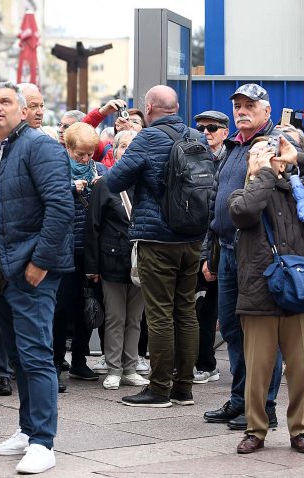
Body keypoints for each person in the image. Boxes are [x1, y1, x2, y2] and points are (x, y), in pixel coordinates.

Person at [0, 82, 73, 474]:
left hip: (30, 271)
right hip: (2, 271)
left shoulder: (39, 145)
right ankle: (26, 429)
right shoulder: (1, 149)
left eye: (6, 102)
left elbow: (61, 205)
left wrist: (41, 262)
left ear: (23, 110)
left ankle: (42, 442)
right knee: (20, 355)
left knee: (36, 356)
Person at [228, 136, 304, 454]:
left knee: (301, 369)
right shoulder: (241, 194)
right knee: (258, 371)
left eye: (271, 151)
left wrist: (300, 156)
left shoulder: (299, 191)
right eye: (258, 152)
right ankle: (256, 430)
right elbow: (246, 211)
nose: (266, 156)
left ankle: (300, 430)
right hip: (259, 296)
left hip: (299, 293)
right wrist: (261, 173)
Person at [104, 85, 202, 408]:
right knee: (185, 311)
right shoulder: (195, 137)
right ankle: (184, 387)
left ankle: (159, 388)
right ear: (175, 108)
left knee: (159, 314)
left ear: (148, 108)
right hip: (191, 239)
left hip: (157, 238)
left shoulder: (147, 138)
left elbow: (114, 180)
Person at [201, 84, 283, 430]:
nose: (241, 110)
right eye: (237, 105)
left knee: (262, 333)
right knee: (233, 331)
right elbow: (216, 201)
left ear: (267, 111)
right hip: (227, 250)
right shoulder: (234, 146)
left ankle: (265, 406)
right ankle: (240, 400)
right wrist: (209, 251)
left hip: (258, 252)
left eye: (250, 105)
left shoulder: (276, 142)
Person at [85, 130, 148, 390]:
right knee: (114, 317)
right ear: (115, 150)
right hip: (111, 261)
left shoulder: (148, 182)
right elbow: (93, 227)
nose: (128, 150)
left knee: (135, 318)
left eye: (133, 146)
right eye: (123, 146)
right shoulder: (105, 183)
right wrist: (92, 267)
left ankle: (130, 367)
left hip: (141, 262)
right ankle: (113, 367)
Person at [53, 122, 107, 385]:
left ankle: (80, 360)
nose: (86, 159)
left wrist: (103, 187)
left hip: (90, 250)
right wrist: (70, 188)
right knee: (61, 307)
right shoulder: (56, 169)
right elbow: (47, 196)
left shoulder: (100, 169)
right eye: (80, 154)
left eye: (89, 154)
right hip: (63, 248)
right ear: (68, 148)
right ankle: (55, 361)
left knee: (88, 306)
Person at [192, 110, 230, 385]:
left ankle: (206, 364)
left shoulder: (231, 158)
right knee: (192, 309)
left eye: (212, 127)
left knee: (211, 311)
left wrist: (209, 256)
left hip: (217, 245)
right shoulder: (193, 158)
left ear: (225, 132)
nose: (206, 132)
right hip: (191, 241)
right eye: (202, 127)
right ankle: (196, 362)